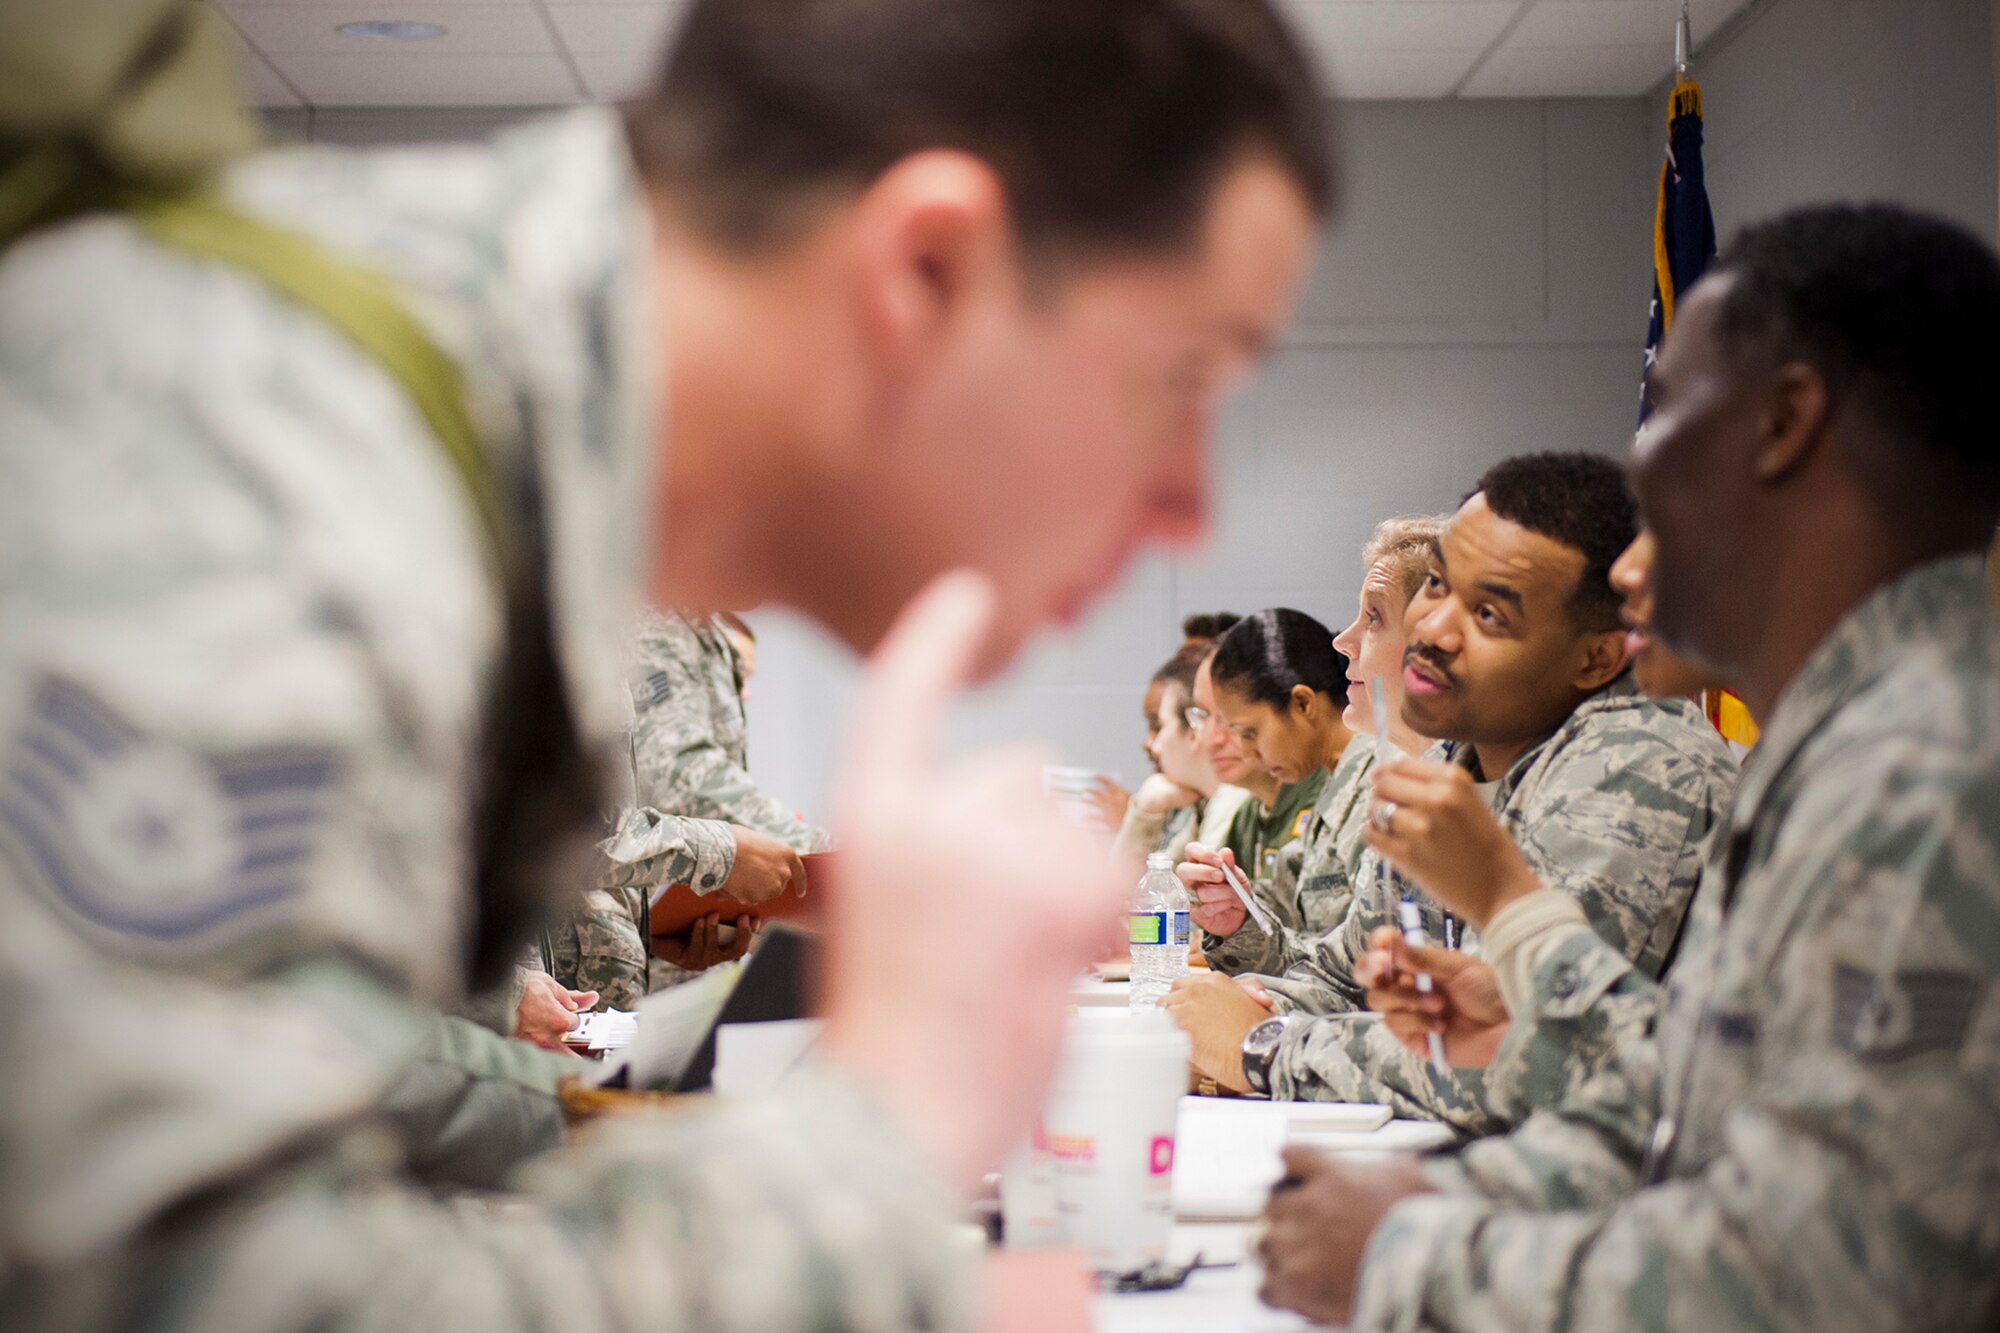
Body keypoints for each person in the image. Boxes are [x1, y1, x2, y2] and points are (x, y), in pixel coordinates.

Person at [0, 1, 1334, 1328]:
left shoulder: (460, 463)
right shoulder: (270, 479)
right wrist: (876, 1129)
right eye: (1182, 378)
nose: (1189, 505)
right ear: (926, 270)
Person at [1260, 203, 2000, 1332]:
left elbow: (1826, 1286)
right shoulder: (1842, 745)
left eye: (1659, 436)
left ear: (1781, 423)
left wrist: (1408, 1257)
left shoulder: (1923, 770)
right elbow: (1696, 1121)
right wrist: (1436, 1191)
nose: (1632, 552)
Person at [1164, 453, 1738, 1134]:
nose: (1432, 628)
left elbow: (1534, 1062)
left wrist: (1263, 1048)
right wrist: (1243, 1003)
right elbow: (1349, 976)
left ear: (1596, 657)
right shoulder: (1452, 761)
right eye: (1436, 583)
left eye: (1489, 613)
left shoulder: (1638, 762)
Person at [1178, 518, 1441, 981]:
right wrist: (1236, 922)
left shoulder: (1396, 782)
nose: (1343, 641)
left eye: (1374, 618)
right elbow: (1337, 971)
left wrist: (1267, 1039)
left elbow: (1370, 995)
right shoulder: (1343, 784)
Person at [1176, 608, 1356, 967]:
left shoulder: (1379, 788)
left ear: (1303, 703)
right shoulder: (1335, 791)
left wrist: (1262, 1019)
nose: (1244, 749)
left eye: (1250, 732)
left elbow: (1358, 978)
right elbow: (1289, 938)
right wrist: (1234, 919)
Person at [1193, 646, 1328, 895]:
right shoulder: (1247, 816)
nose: (1211, 739)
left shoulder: (1326, 798)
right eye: (1202, 716)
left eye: (1227, 718)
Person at [1114, 641, 1248, 863]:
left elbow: (1124, 892)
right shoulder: (1207, 804)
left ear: (1194, 729)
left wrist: (1143, 813)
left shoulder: (1234, 801)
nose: (1153, 746)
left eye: (1159, 726)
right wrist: (1147, 806)